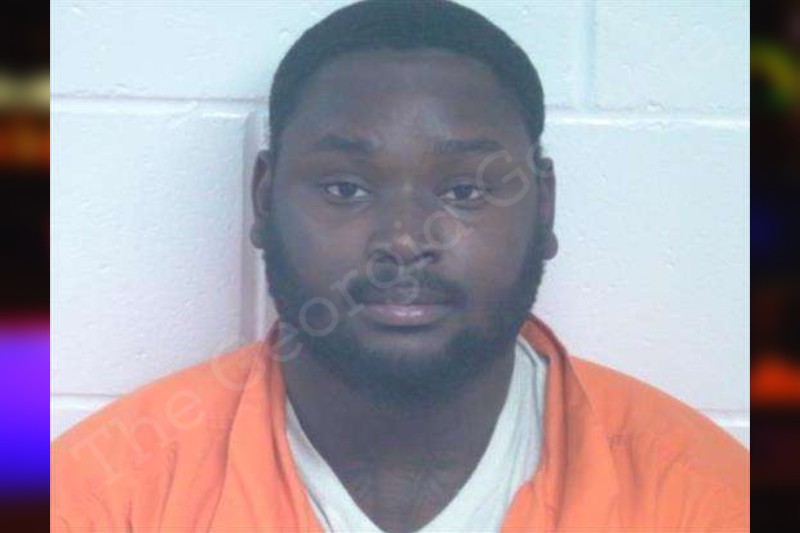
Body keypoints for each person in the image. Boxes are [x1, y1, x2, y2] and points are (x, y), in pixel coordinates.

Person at [51, 1, 749, 531]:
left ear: (543, 209)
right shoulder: (100, 499)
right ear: (263, 200)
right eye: (345, 188)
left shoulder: (709, 499)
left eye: (464, 191)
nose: (406, 240)